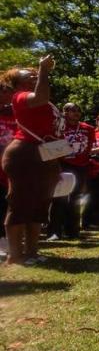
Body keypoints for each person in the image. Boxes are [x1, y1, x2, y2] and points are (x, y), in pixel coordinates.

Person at [1, 56, 62, 265]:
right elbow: (41, 97)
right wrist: (43, 70)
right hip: (24, 154)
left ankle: (32, 251)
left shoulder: (36, 93)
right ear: (17, 83)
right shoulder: (20, 96)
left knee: (40, 204)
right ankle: (15, 255)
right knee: (19, 204)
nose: (33, 73)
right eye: (28, 74)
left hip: (44, 154)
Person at [48, 103, 96, 240]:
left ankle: (73, 230)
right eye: (72, 110)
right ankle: (54, 231)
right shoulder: (58, 127)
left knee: (76, 199)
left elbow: (89, 147)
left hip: (81, 167)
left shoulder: (88, 128)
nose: (76, 113)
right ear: (64, 112)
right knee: (59, 199)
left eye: (78, 110)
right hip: (63, 165)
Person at [0, 83, 19, 256]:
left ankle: (9, 243)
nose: (8, 95)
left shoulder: (16, 113)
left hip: (13, 168)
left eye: (9, 92)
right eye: (4, 92)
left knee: (9, 204)